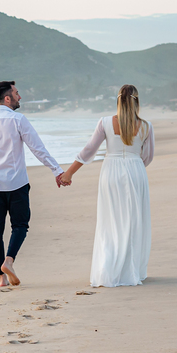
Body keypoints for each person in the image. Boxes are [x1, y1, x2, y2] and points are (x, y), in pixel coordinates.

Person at [0, 80, 66, 288]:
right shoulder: (18, 120)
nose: (19, 96)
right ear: (7, 98)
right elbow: (37, 148)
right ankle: (9, 261)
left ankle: (0, 278)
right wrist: (57, 170)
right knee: (20, 226)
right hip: (17, 184)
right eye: (16, 93)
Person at [58, 85, 154, 287]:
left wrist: (68, 173)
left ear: (117, 100)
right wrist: (133, 164)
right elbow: (148, 156)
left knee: (110, 221)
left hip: (111, 172)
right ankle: (130, 269)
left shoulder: (105, 123)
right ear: (137, 101)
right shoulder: (146, 126)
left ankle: (109, 269)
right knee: (133, 221)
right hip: (136, 171)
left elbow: (88, 151)